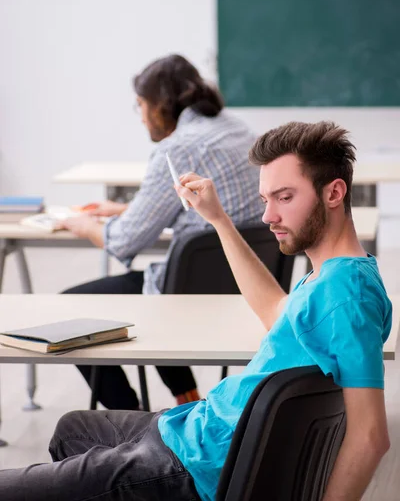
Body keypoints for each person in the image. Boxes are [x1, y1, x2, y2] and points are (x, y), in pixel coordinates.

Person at [1, 121, 391, 501]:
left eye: (284, 197)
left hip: (196, 466)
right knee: (71, 429)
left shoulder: (346, 295)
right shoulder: (332, 277)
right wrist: (218, 219)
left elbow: (370, 436)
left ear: (334, 193)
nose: (267, 216)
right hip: (197, 428)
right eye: (264, 199)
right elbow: (275, 309)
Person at [58, 54, 263, 409]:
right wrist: (128, 210)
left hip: (187, 299)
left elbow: (124, 240)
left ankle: (133, 423)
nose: (140, 115)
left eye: (140, 104)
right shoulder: (237, 128)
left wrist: (84, 224)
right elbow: (209, 209)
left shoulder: (179, 146)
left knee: (70, 308)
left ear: (160, 104)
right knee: (159, 286)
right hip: (246, 290)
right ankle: (187, 400)